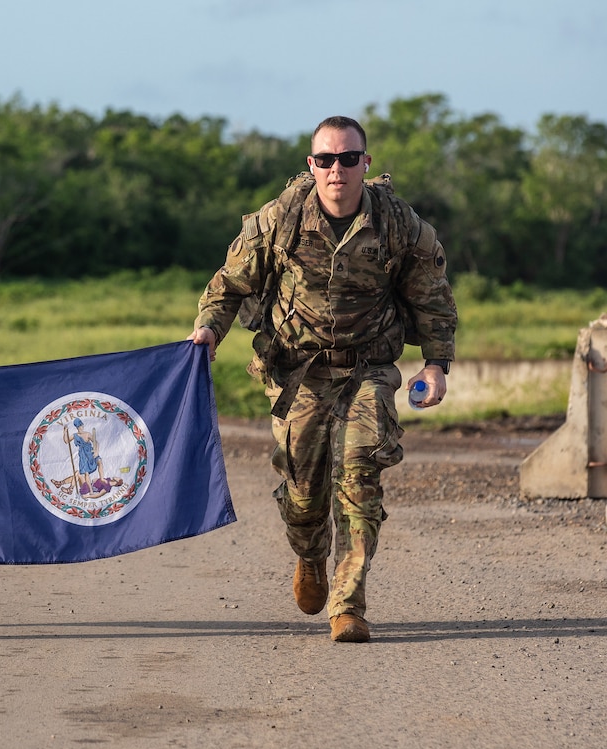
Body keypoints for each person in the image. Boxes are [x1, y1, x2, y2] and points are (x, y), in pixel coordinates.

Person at [189, 115, 457, 643]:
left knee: (360, 478)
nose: (338, 170)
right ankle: (309, 557)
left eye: (349, 159)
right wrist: (207, 332)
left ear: (366, 163)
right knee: (304, 495)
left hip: (369, 369)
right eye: (327, 160)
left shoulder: (399, 224)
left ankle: (348, 604)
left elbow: (431, 294)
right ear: (311, 165)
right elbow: (229, 285)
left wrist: (436, 363)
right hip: (298, 372)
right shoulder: (280, 219)